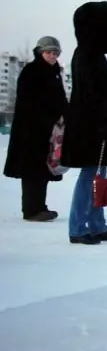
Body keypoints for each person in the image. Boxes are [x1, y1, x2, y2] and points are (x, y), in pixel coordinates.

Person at [61, 1, 107, 245]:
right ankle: (78, 227)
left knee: (99, 177)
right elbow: (95, 90)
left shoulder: (90, 54)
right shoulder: (88, 55)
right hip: (92, 127)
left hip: (98, 126)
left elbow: (97, 85)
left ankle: (97, 224)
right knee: (90, 177)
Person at [3, 37, 68, 222]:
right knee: (32, 171)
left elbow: (60, 99)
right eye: (49, 52)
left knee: (43, 170)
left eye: (56, 53)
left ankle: (40, 206)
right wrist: (49, 116)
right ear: (41, 53)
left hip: (47, 130)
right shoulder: (32, 71)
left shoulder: (54, 72)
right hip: (31, 131)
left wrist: (64, 115)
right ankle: (31, 209)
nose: (53, 56)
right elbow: (30, 101)